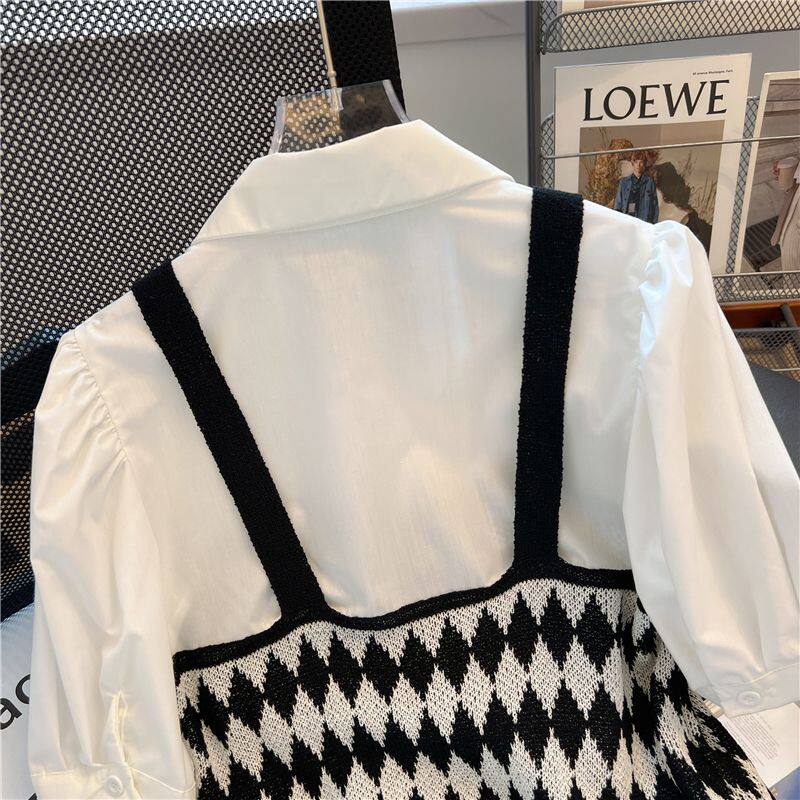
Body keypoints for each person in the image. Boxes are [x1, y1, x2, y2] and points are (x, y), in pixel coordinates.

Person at [614, 151, 659, 223]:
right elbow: (618, 204)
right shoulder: (624, 182)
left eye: (641, 162)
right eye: (636, 162)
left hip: (644, 221)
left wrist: (653, 225)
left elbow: (655, 206)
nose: (638, 165)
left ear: (644, 164)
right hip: (627, 219)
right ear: (632, 163)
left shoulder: (649, 182)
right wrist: (618, 222)